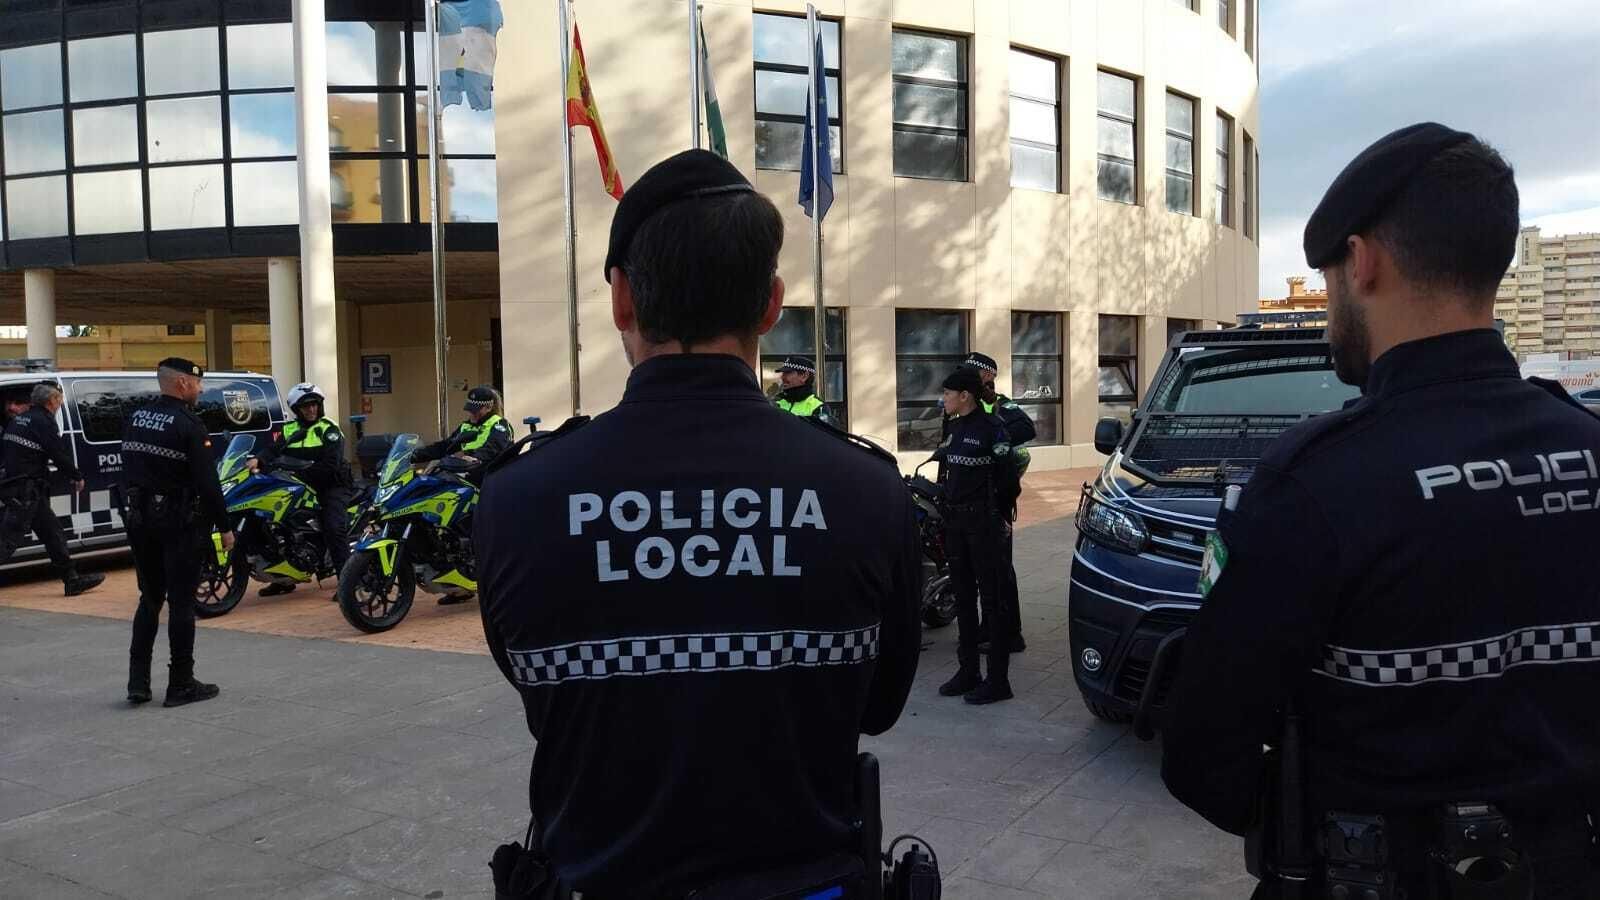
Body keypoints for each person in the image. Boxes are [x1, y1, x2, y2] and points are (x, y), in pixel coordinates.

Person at [1161, 123, 1600, 899]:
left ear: (1362, 263)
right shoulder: (1589, 445)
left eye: (1329, 281)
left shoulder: (1314, 483)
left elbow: (1204, 759)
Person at [475, 149, 920, 898]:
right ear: (772, 303)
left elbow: (541, 699)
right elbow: (878, 705)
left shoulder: (519, 498)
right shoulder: (867, 490)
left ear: (621, 299)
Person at [120, 358, 234, 706]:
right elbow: (208, 484)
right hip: (178, 523)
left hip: (140, 521)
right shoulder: (189, 424)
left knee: (150, 598)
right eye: (197, 383)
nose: (200, 389)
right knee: (181, 602)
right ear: (183, 384)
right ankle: (181, 683)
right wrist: (226, 527)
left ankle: (137, 683)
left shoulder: (136, 417)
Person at [933, 366, 1016, 705]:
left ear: (965, 395)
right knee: (964, 598)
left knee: (993, 602)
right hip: (956, 525)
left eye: (948, 394)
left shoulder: (993, 428)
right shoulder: (953, 426)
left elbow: (1008, 479)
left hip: (984, 525)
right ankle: (969, 671)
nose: (944, 399)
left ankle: (998, 680)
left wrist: (1000, 515)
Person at [961, 351, 1035, 655]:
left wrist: (990, 420)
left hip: (995, 499)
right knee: (977, 569)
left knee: (999, 568)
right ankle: (986, 627)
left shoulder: (1001, 403)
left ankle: (1009, 633)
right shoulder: (963, 404)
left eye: (971, 372)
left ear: (987, 375)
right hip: (967, 498)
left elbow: (1027, 428)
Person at [0, 382, 105, 593]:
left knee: (52, 533)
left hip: (22, 488)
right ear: (52, 401)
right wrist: (76, 476)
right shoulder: (43, 421)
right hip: (25, 490)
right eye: (59, 399)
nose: (61, 403)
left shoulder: (20, 419)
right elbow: (58, 453)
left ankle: (71, 580)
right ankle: (71, 579)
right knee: (7, 540)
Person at [251, 383, 354, 593]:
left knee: (333, 528)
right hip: (299, 484)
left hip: (331, 485)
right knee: (277, 523)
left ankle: (347, 584)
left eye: (314, 404)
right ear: (297, 410)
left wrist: (298, 474)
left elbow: (330, 464)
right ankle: (283, 578)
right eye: (306, 406)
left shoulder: (329, 429)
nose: (311, 409)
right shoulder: (290, 429)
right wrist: (258, 460)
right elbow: (274, 449)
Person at [411, 385, 514, 475]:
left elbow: (493, 448)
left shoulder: (499, 425)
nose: (472, 414)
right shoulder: (466, 426)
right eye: (470, 409)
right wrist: (416, 455)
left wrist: (471, 456)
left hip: (490, 477)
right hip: (468, 472)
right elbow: (446, 446)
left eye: (476, 410)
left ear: (488, 407)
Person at [773, 355, 841, 428]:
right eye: (783, 373)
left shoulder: (818, 407)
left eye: (788, 373)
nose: (782, 377)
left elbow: (823, 437)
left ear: (804, 376)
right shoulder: (775, 402)